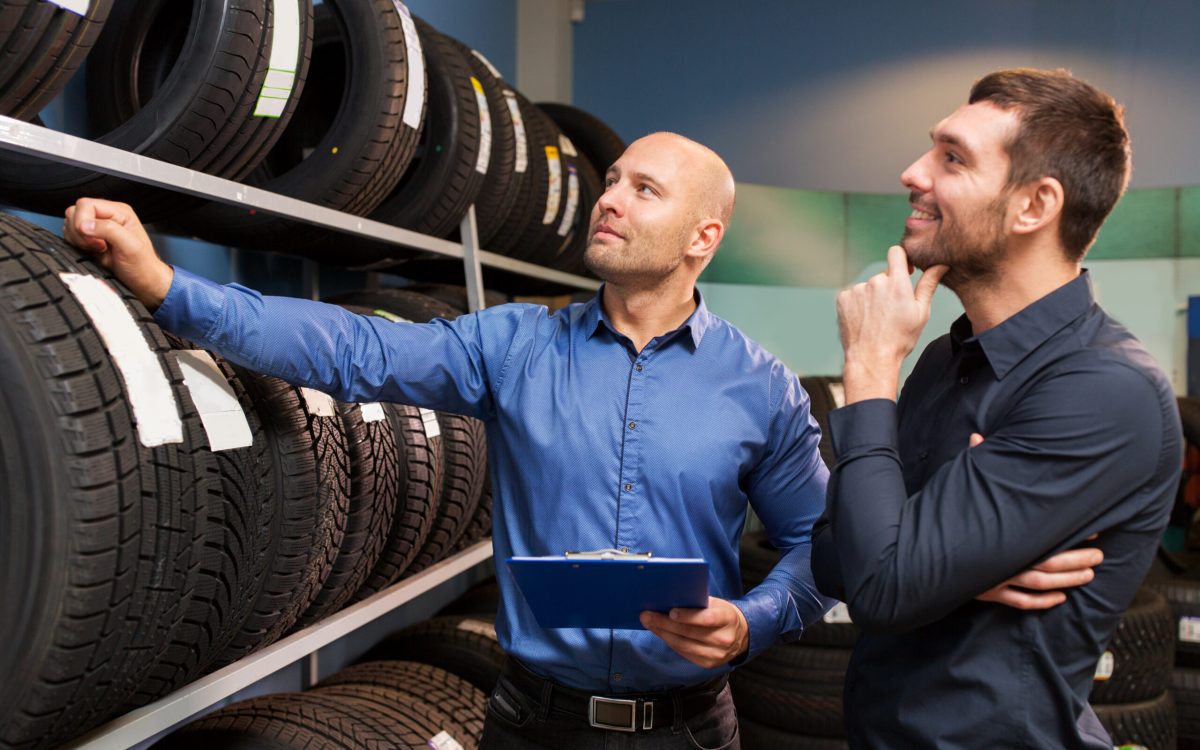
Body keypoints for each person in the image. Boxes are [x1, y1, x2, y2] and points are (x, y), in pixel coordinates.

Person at [65, 129, 1097, 749]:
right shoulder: (511, 346)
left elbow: (822, 550)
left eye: (643, 189)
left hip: (691, 728)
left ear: (704, 237)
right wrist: (168, 286)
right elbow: (345, 348)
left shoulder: (762, 389)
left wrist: (750, 625)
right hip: (529, 721)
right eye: (610, 179)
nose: (608, 198)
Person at [812, 68, 1182, 747]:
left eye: (952, 158)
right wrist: (951, 564)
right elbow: (832, 556)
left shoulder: (1104, 389)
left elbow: (879, 586)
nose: (911, 173)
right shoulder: (942, 361)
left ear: (1034, 206)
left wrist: (867, 368)